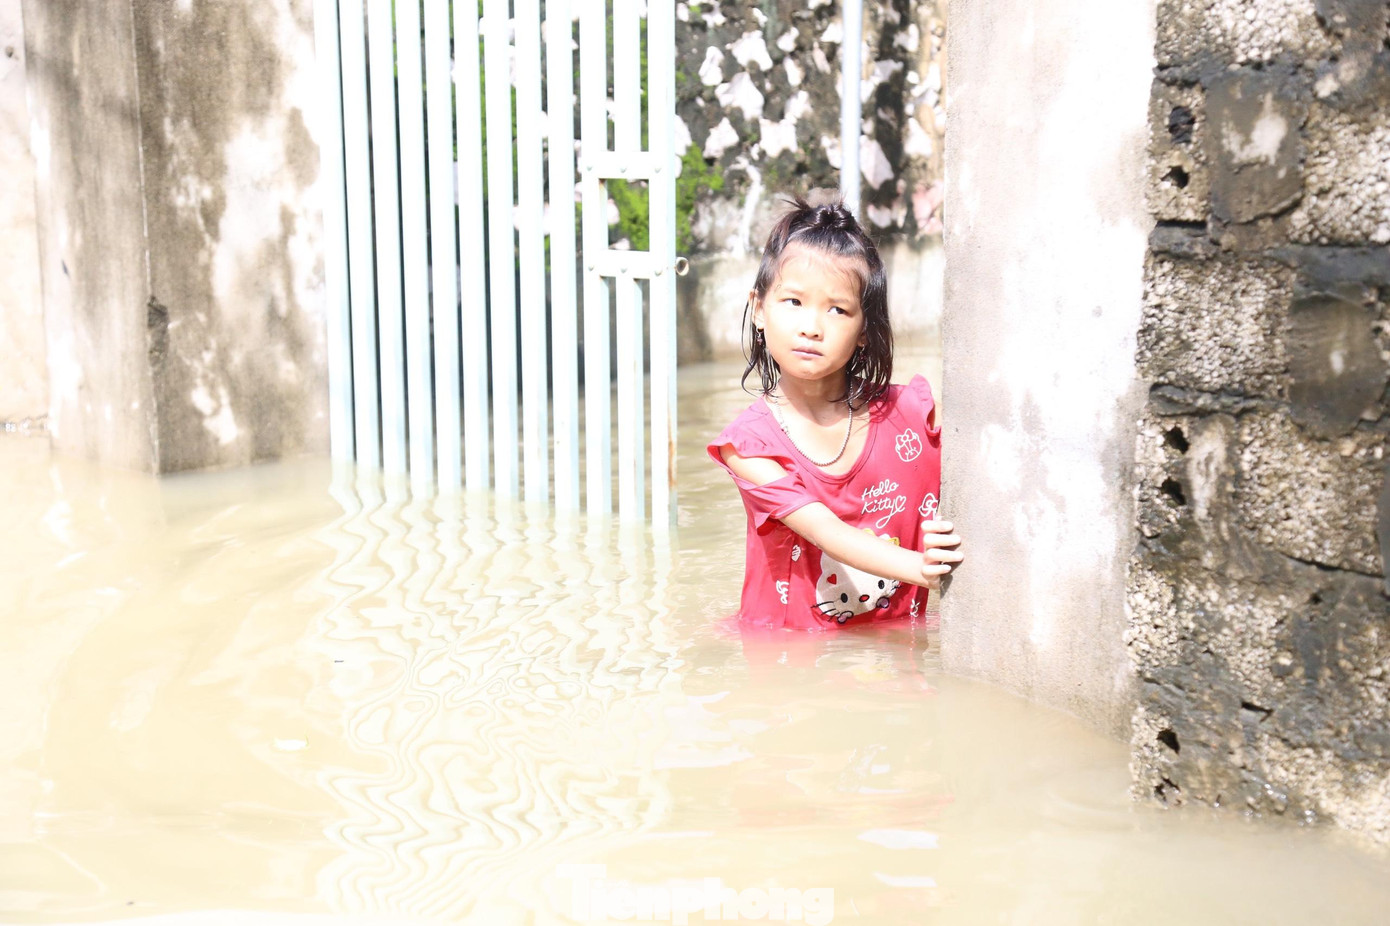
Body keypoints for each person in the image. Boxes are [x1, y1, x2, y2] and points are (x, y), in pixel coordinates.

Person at [708, 196, 963, 631]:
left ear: (864, 331)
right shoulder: (748, 447)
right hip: (789, 662)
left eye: (837, 309)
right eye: (793, 302)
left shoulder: (912, 416)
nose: (811, 326)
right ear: (758, 309)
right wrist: (923, 568)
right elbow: (827, 532)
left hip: (896, 656)